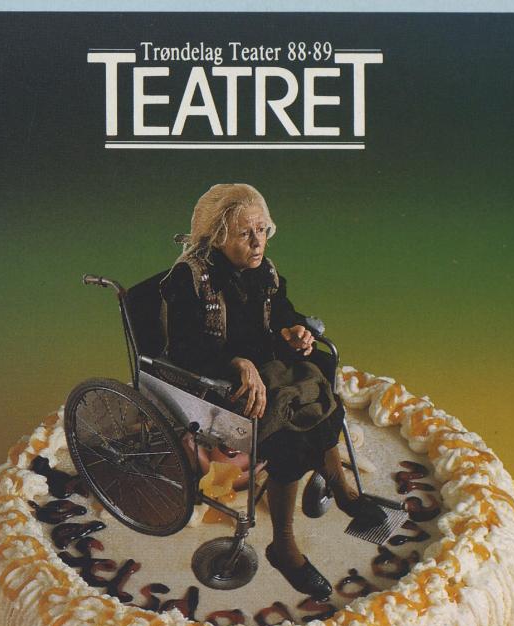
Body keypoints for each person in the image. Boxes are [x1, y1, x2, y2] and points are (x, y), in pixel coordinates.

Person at [160, 183, 384, 599]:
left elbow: (280, 310)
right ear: (217, 236)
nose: (257, 242)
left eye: (262, 230)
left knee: (320, 382)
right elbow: (183, 351)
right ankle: (283, 545)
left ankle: (340, 487)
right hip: (214, 382)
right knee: (288, 437)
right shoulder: (188, 280)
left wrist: (293, 329)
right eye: (245, 233)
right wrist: (236, 363)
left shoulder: (262, 270)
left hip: (266, 369)